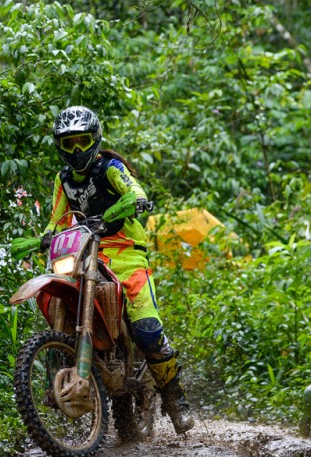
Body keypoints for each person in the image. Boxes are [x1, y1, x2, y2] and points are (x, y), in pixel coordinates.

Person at [14, 105, 193, 434]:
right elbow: (56, 219)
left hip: (124, 254)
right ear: (60, 147)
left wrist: (134, 201)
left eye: (82, 140)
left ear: (95, 139)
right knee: (58, 294)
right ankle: (69, 362)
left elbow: (133, 189)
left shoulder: (110, 167)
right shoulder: (63, 180)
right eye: (69, 144)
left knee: (148, 331)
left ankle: (174, 396)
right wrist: (41, 238)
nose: (77, 149)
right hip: (82, 253)